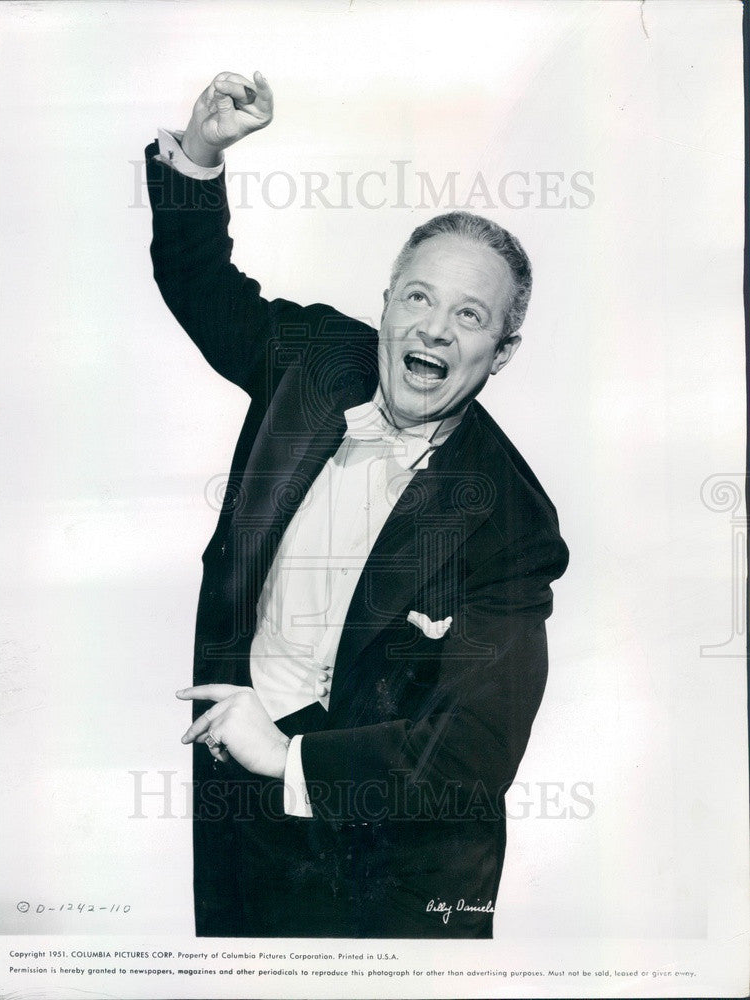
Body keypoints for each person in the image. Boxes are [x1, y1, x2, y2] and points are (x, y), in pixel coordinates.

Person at [145, 70, 569, 938]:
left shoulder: (512, 524)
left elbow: (471, 753)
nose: (433, 331)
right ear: (384, 304)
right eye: (417, 296)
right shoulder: (312, 360)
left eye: (469, 316)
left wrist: (292, 758)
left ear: (503, 352)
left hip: (399, 862)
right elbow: (201, 285)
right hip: (238, 796)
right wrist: (201, 153)